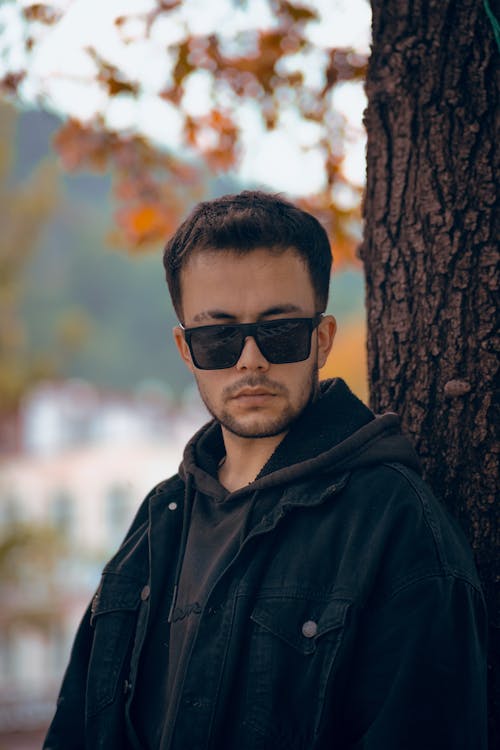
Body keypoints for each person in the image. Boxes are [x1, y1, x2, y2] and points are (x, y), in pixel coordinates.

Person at [44, 190, 487, 750]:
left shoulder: (394, 526)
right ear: (186, 350)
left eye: (278, 331)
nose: (250, 359)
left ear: (322, 340)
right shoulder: (158, 522)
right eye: (219, 337)